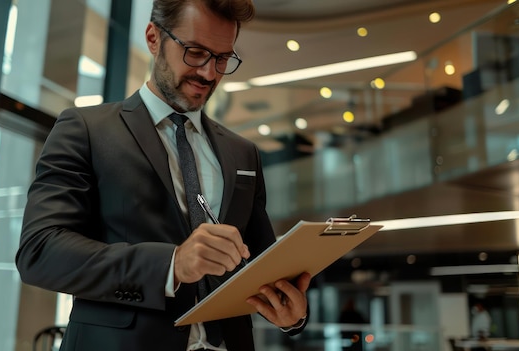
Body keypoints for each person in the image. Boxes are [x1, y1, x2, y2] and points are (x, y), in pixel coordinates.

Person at [15, 0, 311, 350]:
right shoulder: (85, 129)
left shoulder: (242, 152)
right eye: (196, 52)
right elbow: (40, 251)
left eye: (222, 58)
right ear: (153, 38)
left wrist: (292, 314)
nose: (209, 73)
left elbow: (259, 263)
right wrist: (170, 265)